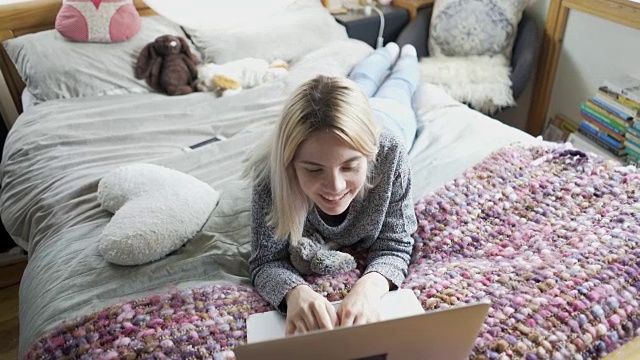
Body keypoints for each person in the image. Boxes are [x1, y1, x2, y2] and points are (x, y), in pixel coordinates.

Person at [245, 42, 420, 336]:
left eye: (351, 166)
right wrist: (295, 292)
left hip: (390, 117)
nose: (335, 187)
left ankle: (401, 54)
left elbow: (396, 242)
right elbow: (266, 260)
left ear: (369, 156)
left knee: (400, 86)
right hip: (351, 116)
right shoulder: (270, 173)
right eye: (314, 169)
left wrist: (369, 286)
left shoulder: (390, 150)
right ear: (290, 164)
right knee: (362, 82)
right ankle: (383, 54)